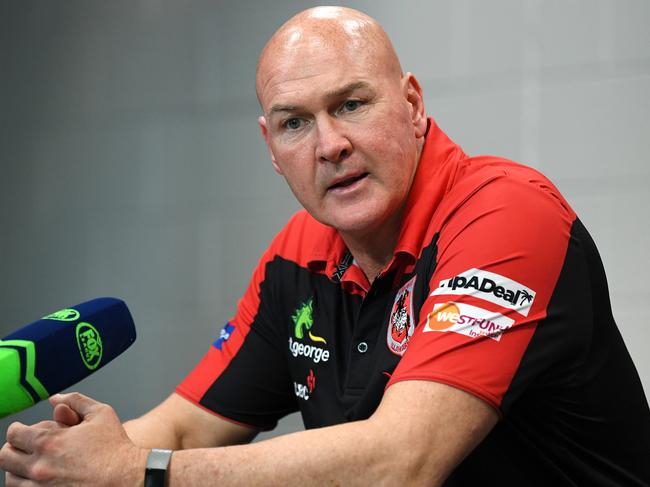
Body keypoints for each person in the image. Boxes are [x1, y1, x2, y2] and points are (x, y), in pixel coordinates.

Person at [1, 6, 649, 486]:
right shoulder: (300, 254)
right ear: (271, 149)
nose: (329, 144)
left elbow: (403, 459)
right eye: (295, 122)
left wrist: (141, 470)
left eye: (351, 104)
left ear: (413, 104)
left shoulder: (505, 214)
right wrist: (60, 458)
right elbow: (182, 426)